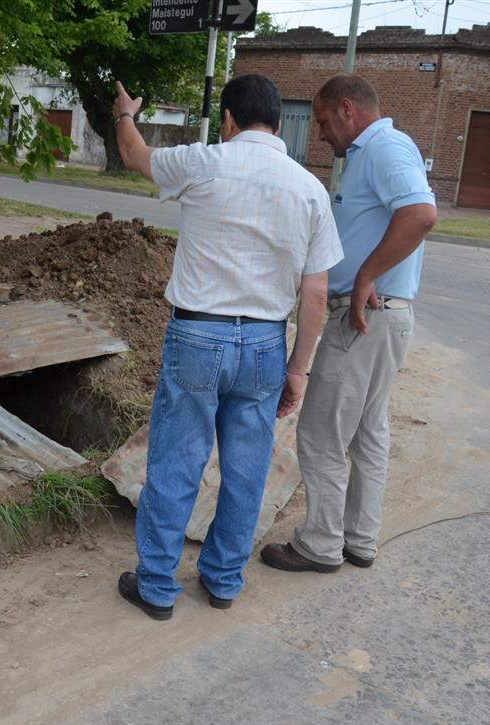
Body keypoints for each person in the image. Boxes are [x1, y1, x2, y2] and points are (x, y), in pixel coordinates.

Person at [112, 75, 343, 620]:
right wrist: (298, 369)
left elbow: (134, 155)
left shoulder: (203, 162)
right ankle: (221, 581)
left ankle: (157, 588)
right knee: (246, 468)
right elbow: (316, 294)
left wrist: (127, 112)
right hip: (265, 342)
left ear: (229, 121)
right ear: (279, 123)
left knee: (176, 462)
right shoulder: (309, 188)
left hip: (198, 335)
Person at [260, 74, 437, 574]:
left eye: (320, 121)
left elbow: (422, 215)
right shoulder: (373, 153)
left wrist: (364, 276)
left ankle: (319, 545)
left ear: (346, 110)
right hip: (383, 319)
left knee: (321, 433)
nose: (319, 134)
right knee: (366, 435)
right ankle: (358, 540)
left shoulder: (384, 147)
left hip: (363, 318)